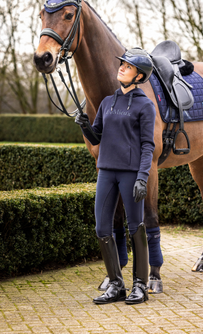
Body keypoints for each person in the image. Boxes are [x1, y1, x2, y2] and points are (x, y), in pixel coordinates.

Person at [75, 47, 156, 305]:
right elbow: (97, 136)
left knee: (136, 227)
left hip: (131, 174)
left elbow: (148, 146)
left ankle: (141, 285)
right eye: (122, 63)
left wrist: (143, 177)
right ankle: (116, 284)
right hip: (106, 172)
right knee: (101, 227)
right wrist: (85, 125)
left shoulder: (146, 106)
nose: (121, 66)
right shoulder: (107, 103)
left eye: (128, 66)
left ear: (139, 76)